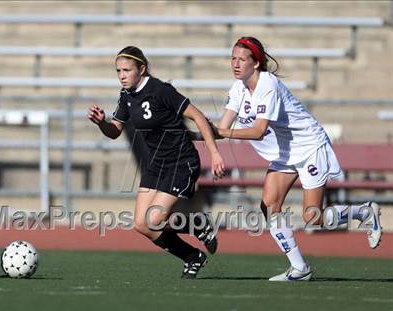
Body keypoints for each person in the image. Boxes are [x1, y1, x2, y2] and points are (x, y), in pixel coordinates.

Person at [211, 36, 382, 281]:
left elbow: (257, 131)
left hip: (310, 145)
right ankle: (300, 268)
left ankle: (364, 213)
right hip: (286, 151)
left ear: (256, 63)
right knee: (269, 206)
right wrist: (192, 133)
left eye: (242, 59)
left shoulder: (267, 84)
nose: (235, 64)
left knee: (313, 217)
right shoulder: (238, 88)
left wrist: (220, 132)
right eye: (233, 58)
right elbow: (221, 128)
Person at [88, 46, 225, 279]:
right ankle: (192, 257)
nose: (122, 75)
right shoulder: (126, 96)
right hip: (156, 164)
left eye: (127, 70)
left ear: (141, 69)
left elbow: (198, 116)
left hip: (181, 161)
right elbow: (114, 131)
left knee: (154, 219)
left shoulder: (161, 90)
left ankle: (197, 224)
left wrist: (214, 153)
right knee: (142, 225)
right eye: (118, 70)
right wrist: (102, 123)